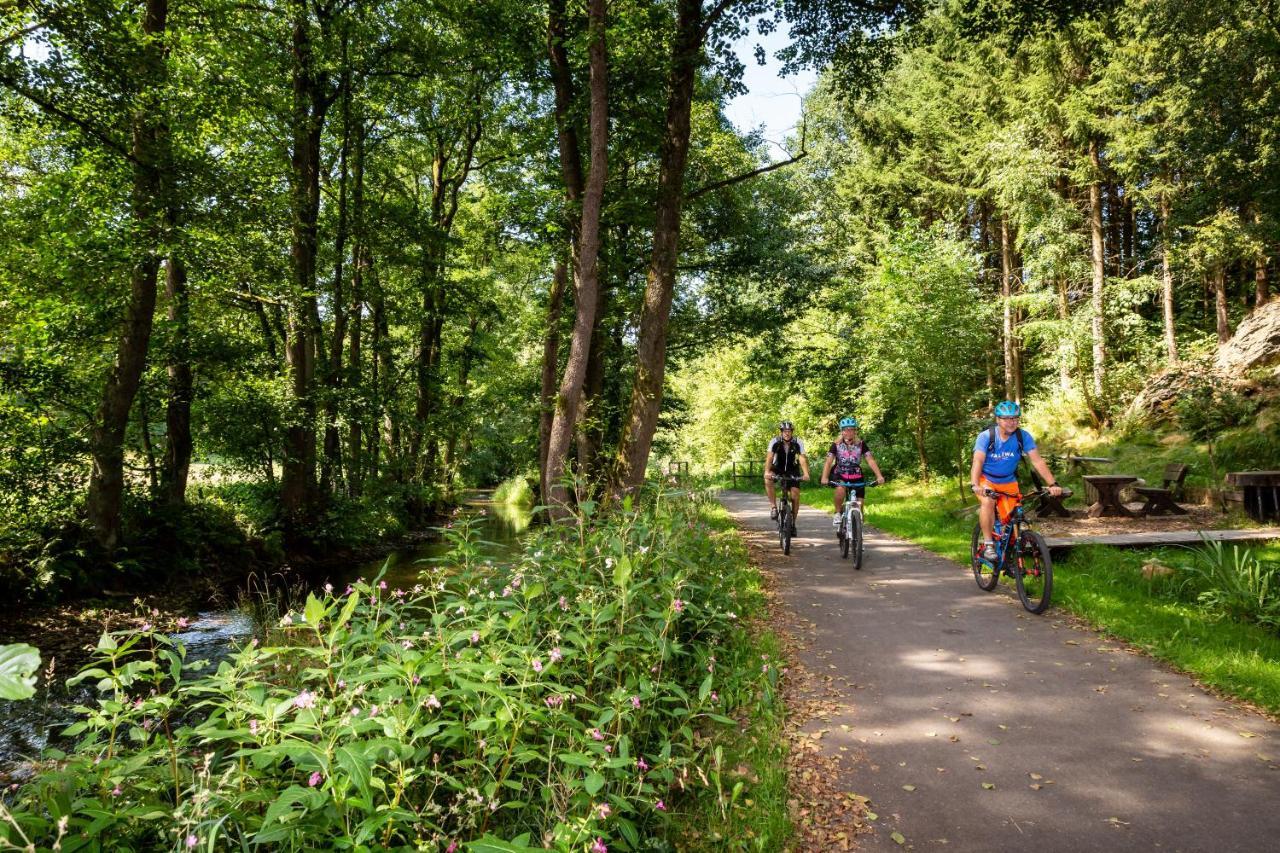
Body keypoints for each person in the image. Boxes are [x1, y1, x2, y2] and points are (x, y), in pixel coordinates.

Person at [969, 400, 1063, 561]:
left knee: (1012, 519)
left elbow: (1037, 461)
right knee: (988, 502)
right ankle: (989, 544)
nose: (1012, 422)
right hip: (987, 479)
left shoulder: (1023, 436)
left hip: (1009, 481)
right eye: (1006, 418)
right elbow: (978, 461)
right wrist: (975, 484)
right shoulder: (986, 437)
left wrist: (1052, 484)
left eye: (1015, 418)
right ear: (998, 420)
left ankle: (1009, 555)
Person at [820, 417, 885, 526]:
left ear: (855, 431)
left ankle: (857, 533)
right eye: (846, 429)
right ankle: (837, 513)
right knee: (840, 490)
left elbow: (870, 460)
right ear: (842, 431)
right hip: (840, 473)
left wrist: (879, 476)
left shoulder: (861, 444)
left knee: (860, 507)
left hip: (856, 475)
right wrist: (824, 477)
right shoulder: (836, 445)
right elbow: (828, 462)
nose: (849, 432)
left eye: (852, 429)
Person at [765, 420, 810, 530]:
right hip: (777, 468)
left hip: (792, 470)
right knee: (768, 479)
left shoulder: (797, 442)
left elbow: (802, 458)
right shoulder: (775, 441)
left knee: (795, 495)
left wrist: (805, 474)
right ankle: (774, 507)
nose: (787, 433)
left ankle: (793, 523)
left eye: (789, 431)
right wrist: (767, 471)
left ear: (792, 432)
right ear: (781, 432)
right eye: (785, 431)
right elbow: (770, 457)